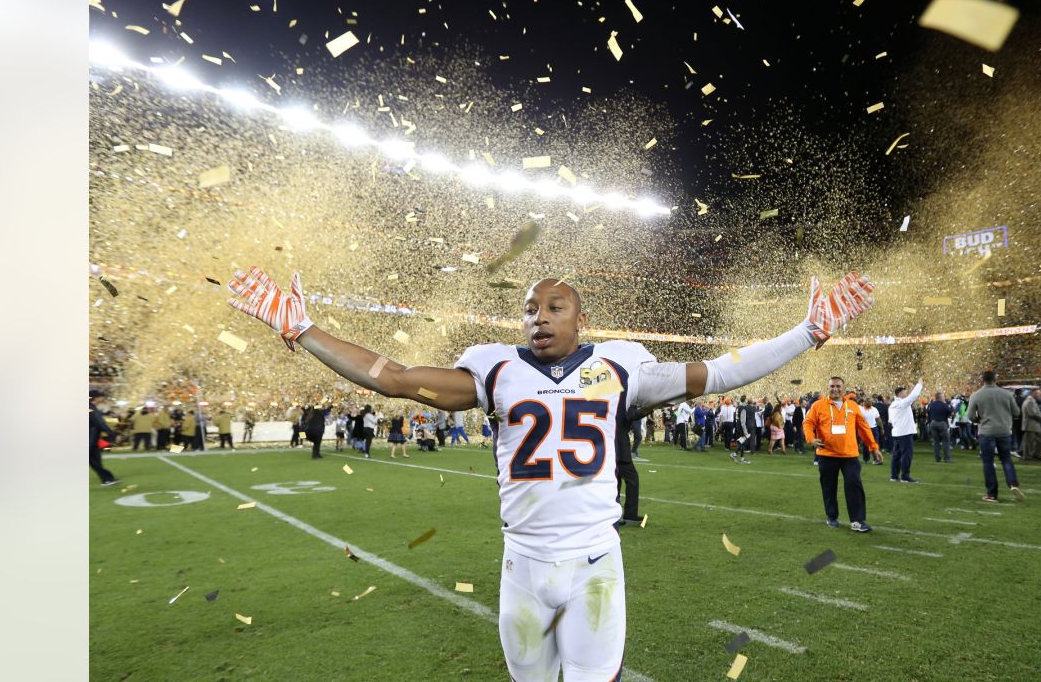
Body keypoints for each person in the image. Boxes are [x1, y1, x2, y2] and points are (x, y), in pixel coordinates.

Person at [226, 266, 872, 680]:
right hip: (523, 568)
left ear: (581, 317)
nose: (539, 317)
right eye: (531, 308)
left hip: (595, 567)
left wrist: (806, 333)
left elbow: (722, 372)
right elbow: (393, 378)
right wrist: (302, 329)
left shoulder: (623, 369)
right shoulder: (494, 369)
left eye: (555, 307)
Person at [804, 377, 881, 531]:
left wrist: (873, 447)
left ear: (843, 388)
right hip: (827, 454)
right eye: (832, 386)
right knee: (829, 488)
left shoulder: (852, 406)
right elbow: (808, 423)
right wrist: (811, 439)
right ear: (828, 388)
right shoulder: (818, 406)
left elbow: (864, 427)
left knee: (854, 485)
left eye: (838, 386)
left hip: (850, 455)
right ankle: (832, 517)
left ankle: (858, 521)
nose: (835, 389)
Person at [965, 371, 1025, 502]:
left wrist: (978, 419)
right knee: (1006, 459)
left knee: (988, 462)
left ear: (983, 380)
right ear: (995, 379)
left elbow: (969, 416)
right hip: (1004, 430)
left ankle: (992, 494)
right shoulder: (1006, 394)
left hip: (986, 431)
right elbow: (1016, 412)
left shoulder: (976, 395)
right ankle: (1013, 483)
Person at [887, 378, 923, 483]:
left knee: (896, 455)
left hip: (897, 433)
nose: (906, 394)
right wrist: (919, 384)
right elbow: (914, 396)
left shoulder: (892, 405)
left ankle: (894, 475)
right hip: (905, 433)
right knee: (906, 455)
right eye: (905, 392)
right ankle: (905, 476)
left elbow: (890, 420)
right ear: (900, 394)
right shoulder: (902, 403)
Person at [89, 390, 119, 486]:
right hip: (90, 439)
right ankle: (107, 478)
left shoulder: (91, 407)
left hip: (92, 438)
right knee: (94, 461)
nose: (102, 398)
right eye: (100, 396)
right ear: (96, 398)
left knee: (96, 460)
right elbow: (99, 422)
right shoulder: (90, 408)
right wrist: (111, 433)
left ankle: (106, 479)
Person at [926, 392, 952, 463]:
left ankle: (937, 458)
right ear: (940, 397)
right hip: (942, 422)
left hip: (933, 423)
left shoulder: (931, 404)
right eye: (943, 396)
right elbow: (950, 412)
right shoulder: (944, 405)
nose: (944, 398)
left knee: (936, 441)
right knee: (946, 441)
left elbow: (928, 412)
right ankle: (947, 458)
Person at [1021, 390, 1041, 460]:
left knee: (1040, 439)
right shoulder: (1030, 401)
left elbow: (1036, 412)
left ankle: (1034, 455)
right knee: (1029, 442)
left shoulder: (1031, 400)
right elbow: (1032, 414)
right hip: (1030, 424)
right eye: (1038, 394)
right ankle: (1028, 456)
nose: (1039, 395)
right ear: (1033, 393)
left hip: (1034, 424)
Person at [859, 398, 882, 465]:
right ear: (864, 403)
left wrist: (881, 428)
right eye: (867, 402)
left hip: (874, 428)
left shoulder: (874, 409)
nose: (869, 403)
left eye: (870, 402)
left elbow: (878, 419)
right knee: (865, 445)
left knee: (875, 444)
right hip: (865, 429)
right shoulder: (861, 409)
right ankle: (866, 459)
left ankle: (876, 459)